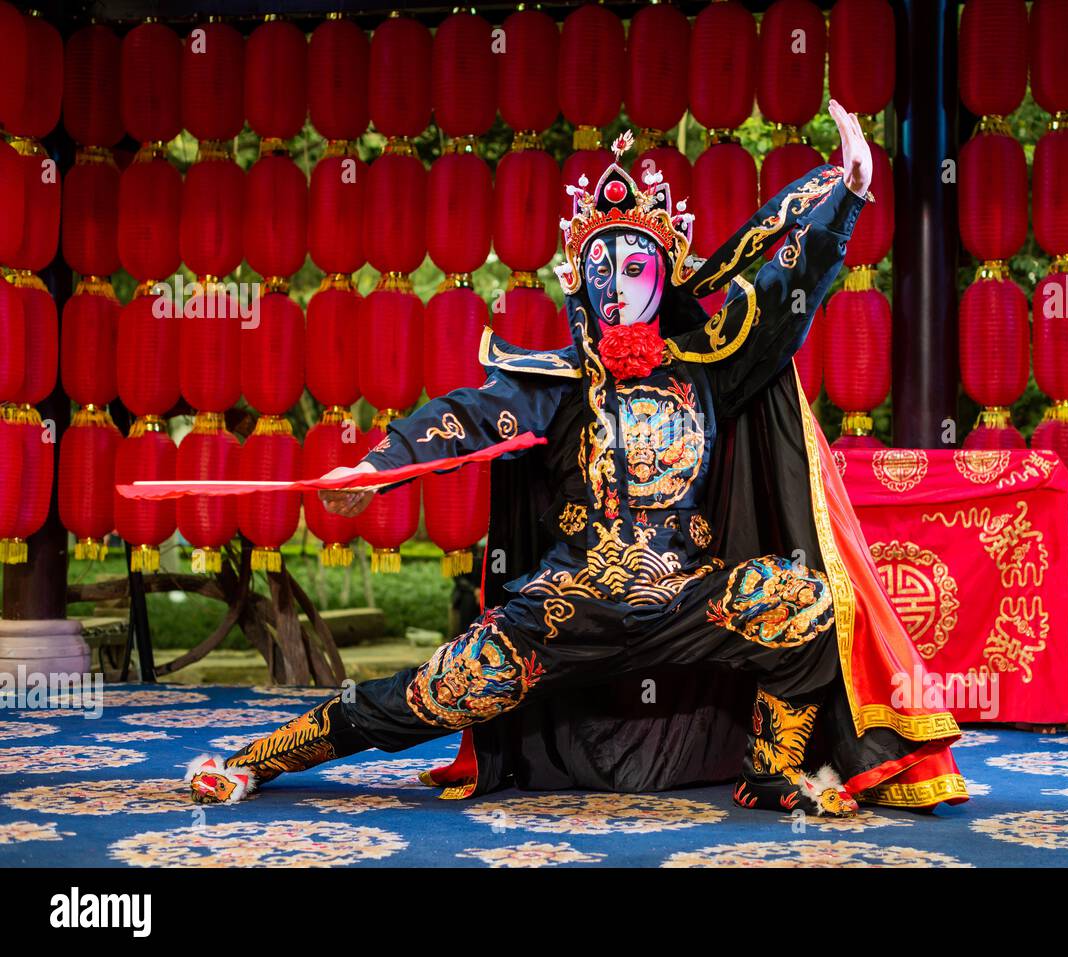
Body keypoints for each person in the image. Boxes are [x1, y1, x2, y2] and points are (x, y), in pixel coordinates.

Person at [187, 102, 967, 816]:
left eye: (635, 269)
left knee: (800, 600)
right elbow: (468, 414)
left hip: (685, 600)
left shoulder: (710, 368)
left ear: (664, 278)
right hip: (565, 607)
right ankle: (256, 759)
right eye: (602, 271)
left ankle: (770, 769)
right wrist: (379, 465)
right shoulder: (556, 381)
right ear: (579, 282)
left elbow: (777, 296)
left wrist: (847, 202)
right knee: (427, 698)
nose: (618, 288)